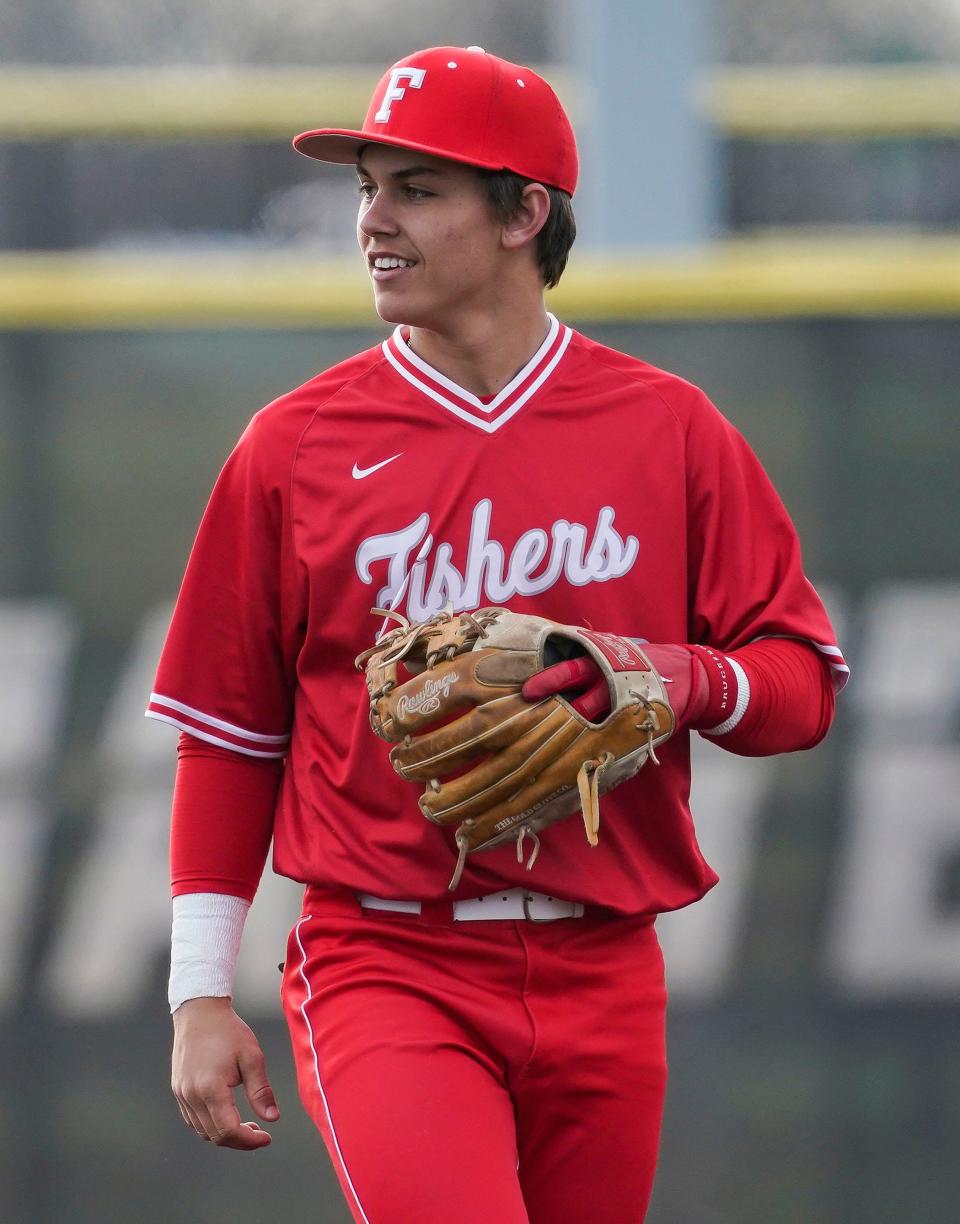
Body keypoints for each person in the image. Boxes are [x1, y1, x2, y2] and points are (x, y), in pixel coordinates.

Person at [149, 45, 848, 1224]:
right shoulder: (295, 446)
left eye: (417, 189)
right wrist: (198, 995)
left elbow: (801, 686)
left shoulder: (667, 430)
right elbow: (228, 736)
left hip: (608, 961)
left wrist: (664, 679)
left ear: (527, 211)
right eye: (368, 187)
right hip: (387, 957)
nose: (374, 219)